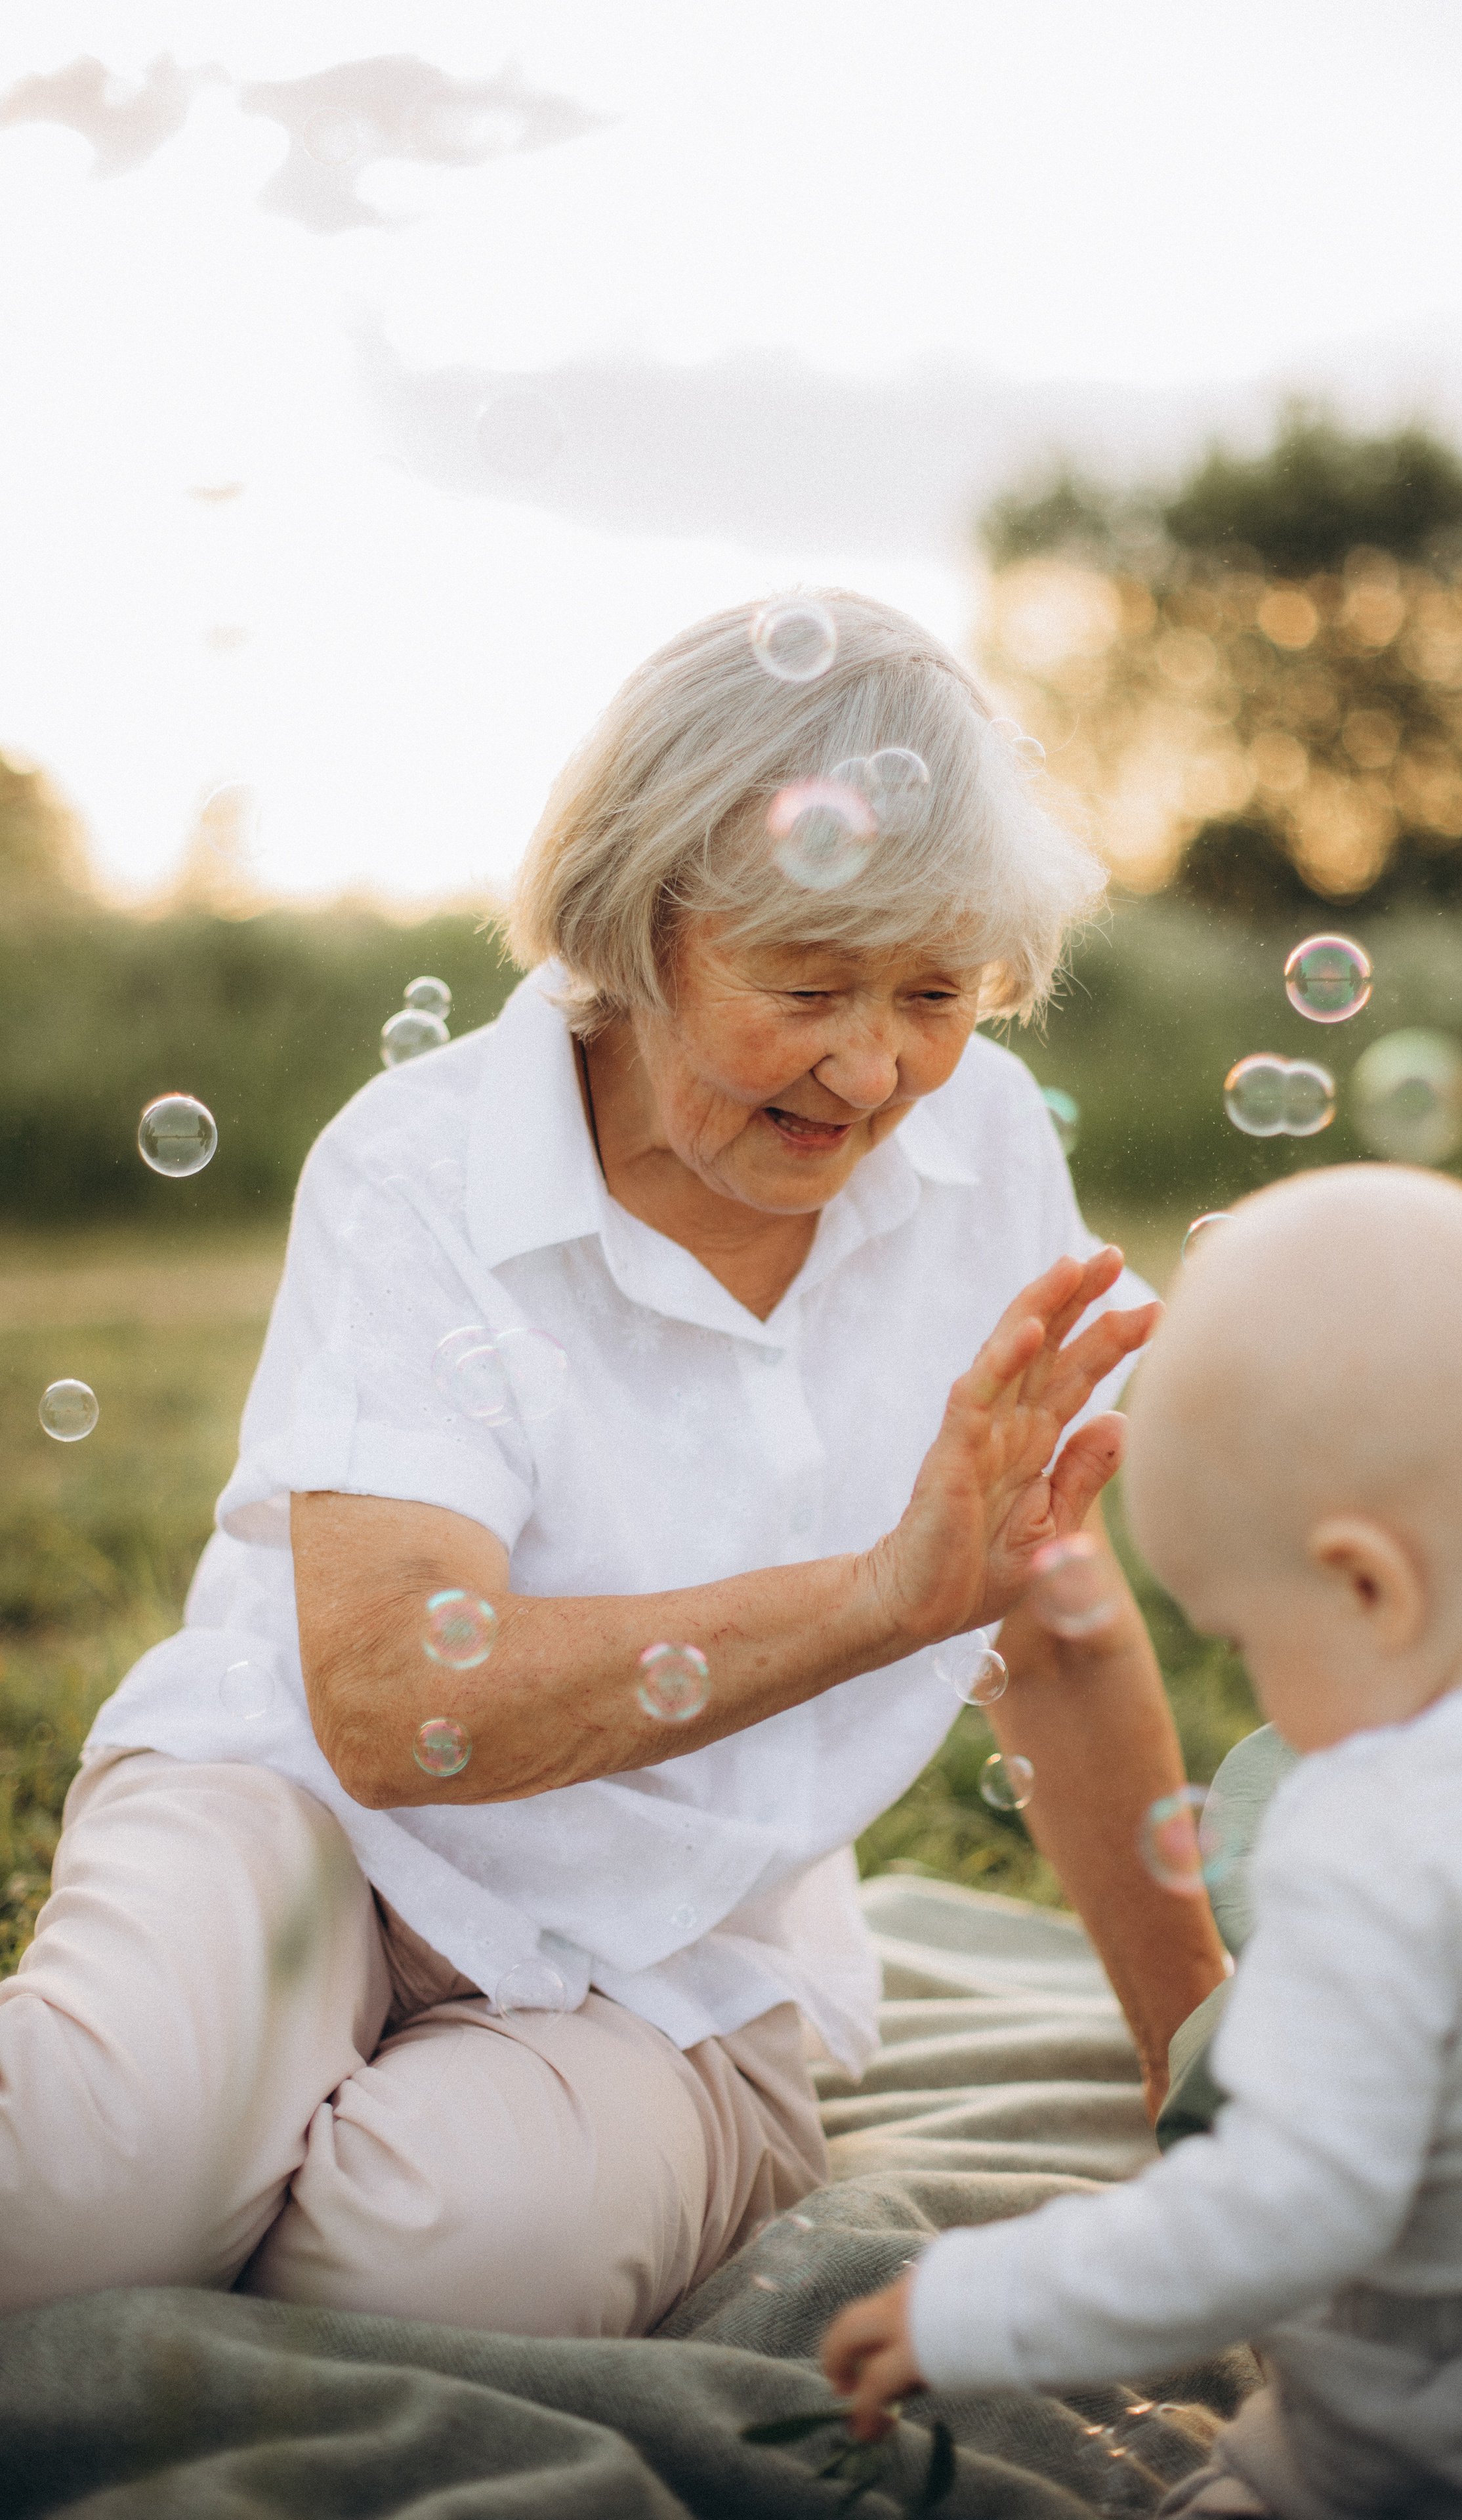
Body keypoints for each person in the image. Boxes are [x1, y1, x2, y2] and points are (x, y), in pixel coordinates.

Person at [0, 591, 1226, 2336]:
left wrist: (1212, 2077)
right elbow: (382, 1699)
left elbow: (1057, 1610)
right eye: (805, 986)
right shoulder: (421, 1172)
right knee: (62, 2203)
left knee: (439, 2270)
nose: (873, 1067)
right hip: (302, 1819)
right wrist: (873, 1601)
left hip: (677, 1944)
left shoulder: (987, 1152)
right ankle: (213, 2123)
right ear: (646, 926)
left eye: (938, 994)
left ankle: (299, 2158)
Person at [824, 1167, 1462, 2517]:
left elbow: (1273, 2216)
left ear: (1363, 1586)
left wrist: (974, 2305)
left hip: (1437, 2466)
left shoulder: (1374, 1848)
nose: (1260, 1688)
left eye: (1245, 1639)